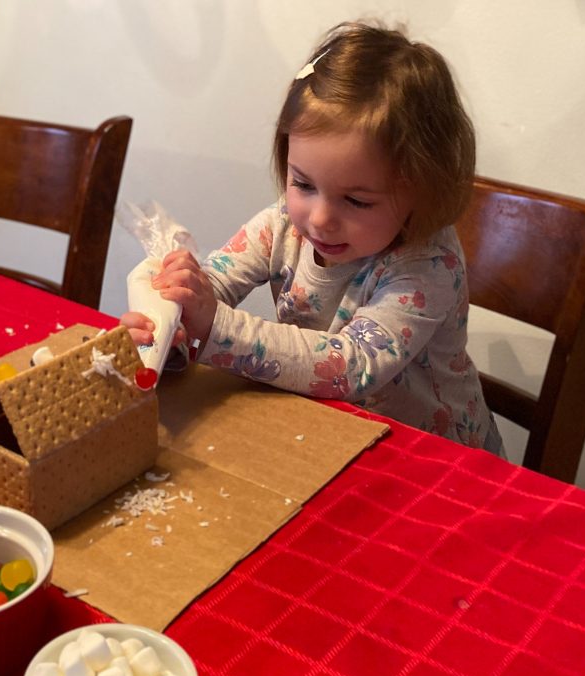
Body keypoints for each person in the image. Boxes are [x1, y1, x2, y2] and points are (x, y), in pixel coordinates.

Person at [122, 21, 504, 455]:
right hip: (332, 433)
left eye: (357, 201)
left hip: (437, 457)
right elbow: (215, 288)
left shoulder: (428, 264)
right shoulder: (283, 223)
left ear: (423, 189)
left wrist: (215, 325)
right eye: (303, 184)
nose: (319, 219)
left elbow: (352, 364)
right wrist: (176, 323)